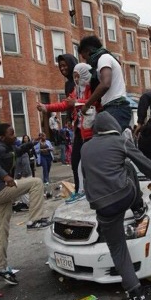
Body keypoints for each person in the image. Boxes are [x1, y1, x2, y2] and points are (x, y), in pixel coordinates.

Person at [81, 112, 151, 300]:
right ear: (113, 126)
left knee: (118, 250)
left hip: (101, 206)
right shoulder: (120, 140)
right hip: (123, 195)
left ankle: (137, 296)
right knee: (128, 166)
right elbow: (145, 163)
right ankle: (137, 208)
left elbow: (86, 176)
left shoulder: (85, 147)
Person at [0, 123, 52, 285]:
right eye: (11, 133)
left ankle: (2, 268)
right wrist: (5, 176)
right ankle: (34, 220)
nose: (15, 136)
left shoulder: (8, 147)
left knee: (1, 231)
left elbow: (18, 151)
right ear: (2, 137)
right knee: (36, 182)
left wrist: (34, 142)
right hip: (0, 190)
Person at [37, 63, 99, 203]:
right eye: (74, 77)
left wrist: (76, 102)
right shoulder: (76, 90)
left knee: (89, 163)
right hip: (79, 131)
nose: (76, 80)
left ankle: (91, 189)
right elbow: (65, 104)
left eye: (78, 76)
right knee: (75, 162)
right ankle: (79, 190)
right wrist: (46, 107)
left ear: (84, 75)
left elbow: (95, 103)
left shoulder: (92, 88)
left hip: (91, 132)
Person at [78, 35, 132, 130]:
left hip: (116, 107)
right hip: (113, 107)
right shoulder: (106, 58)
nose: (86, 62)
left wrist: (87, 104)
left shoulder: (104, 58)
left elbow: (105, 83)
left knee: (112, 142)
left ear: (88, 51)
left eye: (85, 57)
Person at [12, 136, 34, 213]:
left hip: (24, 175)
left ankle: (29, 205)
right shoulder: (20, 154)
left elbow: (25, 165)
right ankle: (26, 204)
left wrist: (20, 175)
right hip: (23, 174)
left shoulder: (23, 154)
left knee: (23, 192)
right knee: (23, 192)